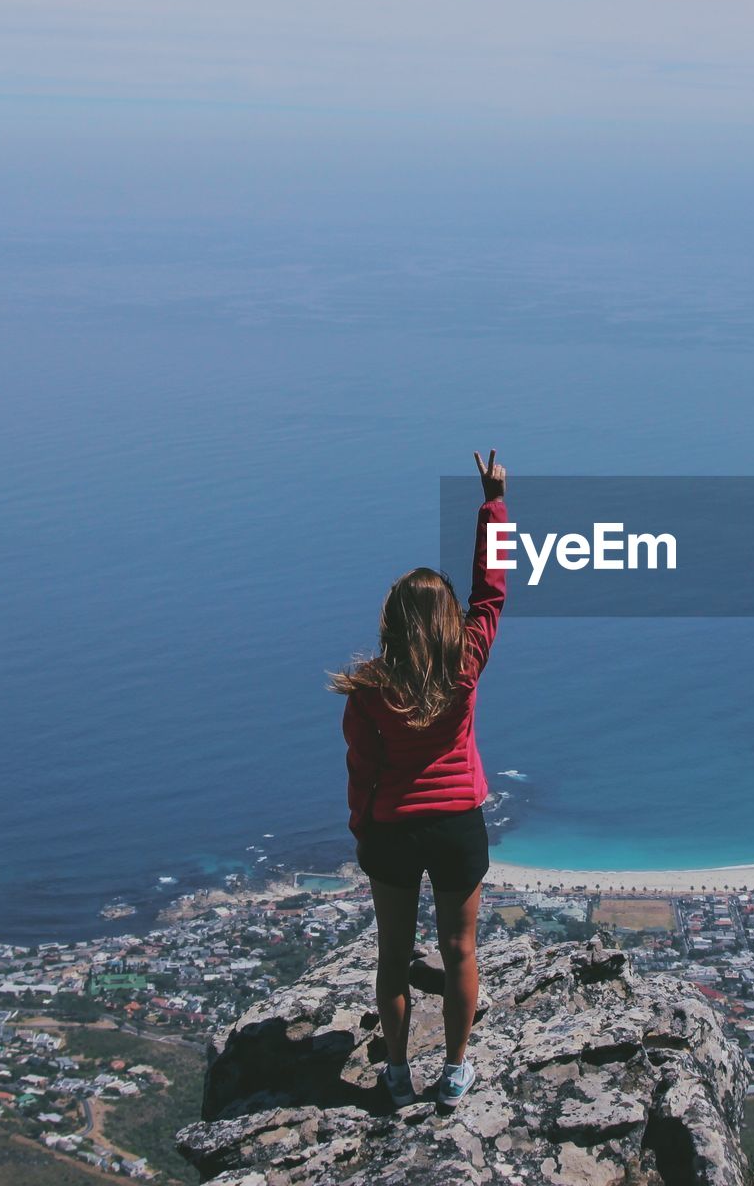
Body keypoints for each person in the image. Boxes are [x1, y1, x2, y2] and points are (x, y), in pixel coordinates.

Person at [329, 450, 508, 1109]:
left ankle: (398, 1073)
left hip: (394, 831)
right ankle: (455, 1073)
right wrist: (493, 504)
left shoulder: (370, 690)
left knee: (394, 958)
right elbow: (491, 590)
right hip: (458, 825)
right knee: (460, 952)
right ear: (447, 623)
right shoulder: (467, 665)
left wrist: (362, 833)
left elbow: (361, 771)